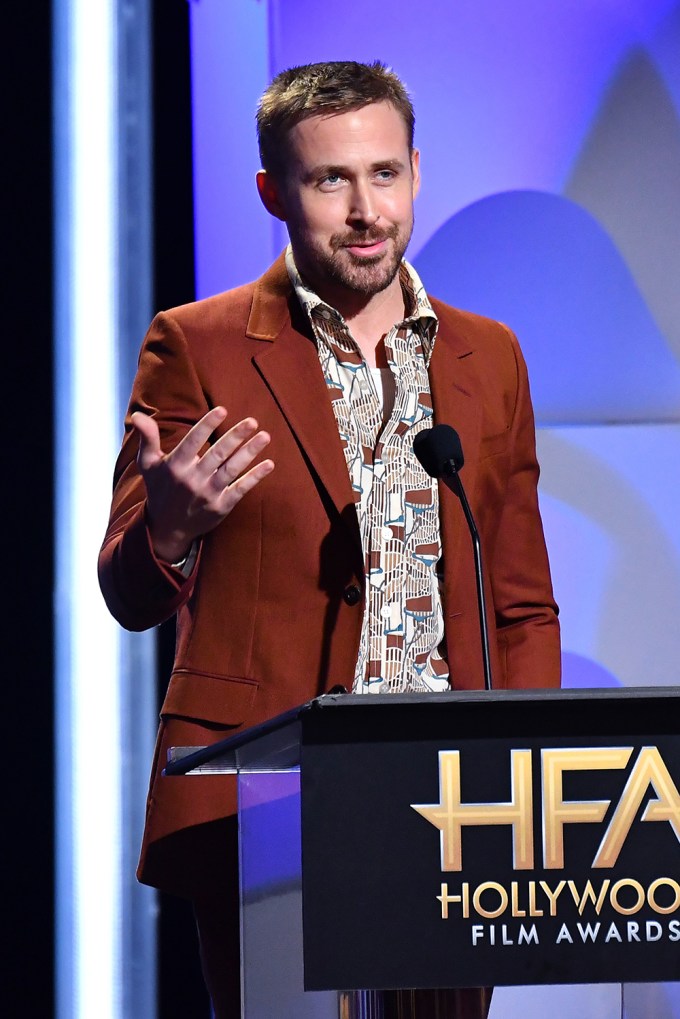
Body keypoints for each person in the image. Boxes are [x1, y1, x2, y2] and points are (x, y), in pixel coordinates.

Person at [99, 60, 560, 1018]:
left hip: (451, 799)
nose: (366, 210)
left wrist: (531, 778)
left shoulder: (490, 354)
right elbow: (127, 590)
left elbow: (519, 600)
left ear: (418, 171)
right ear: (272, 191)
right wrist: (174, 530)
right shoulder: (199, 344)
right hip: (270, 798)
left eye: (384, 174)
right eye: (330, 181)